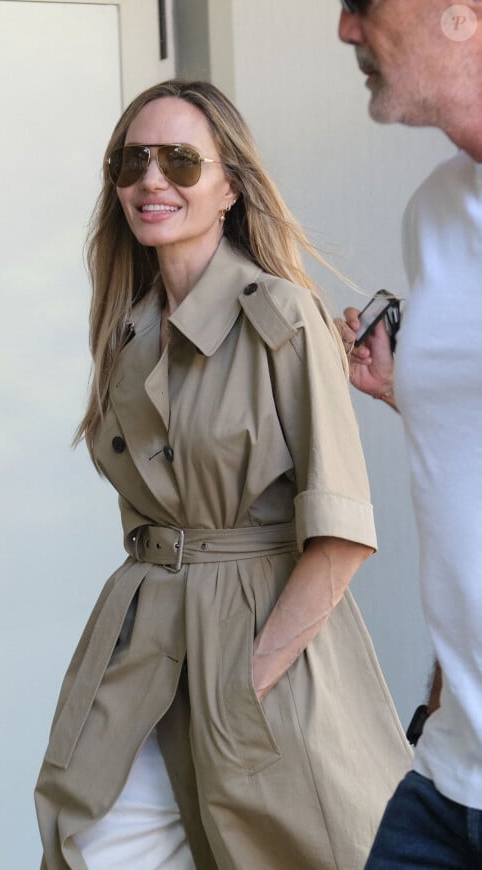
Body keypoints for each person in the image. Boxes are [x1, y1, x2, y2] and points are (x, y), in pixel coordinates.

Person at [34, 78, 411, 870]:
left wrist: (250, 678)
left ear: (230, 186)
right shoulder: (127, 330)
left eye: (179, 161)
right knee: (92, 843)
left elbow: (340, 535)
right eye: (131, 162)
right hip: (146, 633)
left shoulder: (281, 317)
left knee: (284, 848)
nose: (151, 181)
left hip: (256, 635)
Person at [337, 2, 482, 866]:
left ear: (462, 13)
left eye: (363, 3)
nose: (346, 31)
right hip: (449, 772)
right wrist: (415, 396)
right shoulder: (433, 215)